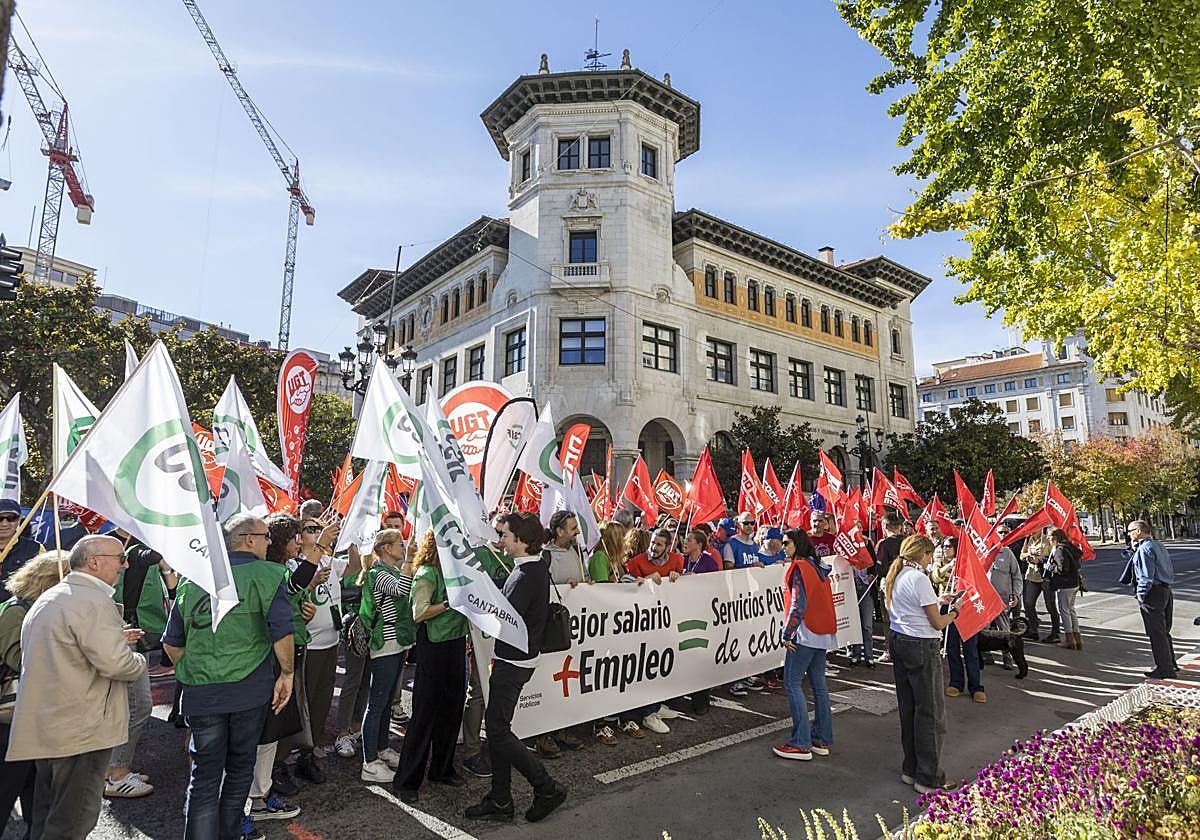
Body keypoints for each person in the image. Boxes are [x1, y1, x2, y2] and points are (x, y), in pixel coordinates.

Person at [163, 514, 294, 840]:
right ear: (248, 539)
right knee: (238, 771)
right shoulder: (269, 575)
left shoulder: (192, 579)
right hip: (247, 692)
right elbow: (282, 632)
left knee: (204, 777)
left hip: (201, 693)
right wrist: (288, 673)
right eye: (265, 536)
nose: (269, 542)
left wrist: (195, 670)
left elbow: (171, 643)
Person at [7, 536, 148, 839]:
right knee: (72, 821)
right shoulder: (90, 600)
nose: (124, 565)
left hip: (54, 726)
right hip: (80, 729)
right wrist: (138, 660)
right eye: (120, 558)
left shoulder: (55, 596)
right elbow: (117, 664)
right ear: (94, 562)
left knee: (47, 816)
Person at [465, 512, 567, 825]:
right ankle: (500, 798)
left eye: (506, 536)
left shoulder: (526, 575)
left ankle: (545, 787)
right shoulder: (532, 566)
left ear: (521, 541)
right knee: (497, 730)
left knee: (497, 730)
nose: (501, 540)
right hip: (517, 658)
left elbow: (501, 613)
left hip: (514, 661)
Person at [884, 534, 962, 794]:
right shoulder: (920, 578)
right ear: (924, 554)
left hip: (900, 640)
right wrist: (954, 612)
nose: (932, 560)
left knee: (909, 708)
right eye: (930, 555)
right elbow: (937, 623)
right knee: (930, 713)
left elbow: (914, 608)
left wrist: (939, 602)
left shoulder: (896, 574)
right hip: (921, 645)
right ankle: (928, 777)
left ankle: (911, 767)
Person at [395, 531, 469, 803]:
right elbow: (419, 612)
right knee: (425, 713)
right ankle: (407, 780)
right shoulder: (427, 572)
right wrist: (451, 602)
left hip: (455, 642)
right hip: (433, 645)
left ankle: (442, 769)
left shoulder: (459, 570)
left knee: (452, 709)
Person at [0, 551, 69, 837]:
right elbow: (19, 660)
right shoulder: (15, 611)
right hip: (11, 719)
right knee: (6, 793)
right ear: (49, 581)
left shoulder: (39, 608)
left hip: (36, 716)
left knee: (39, 801)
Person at [287, 516, 344, 784]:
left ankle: (308, 755)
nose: (318, 533)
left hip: (330, 641)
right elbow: (293, 592)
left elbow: (355, 567)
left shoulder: (327, 561)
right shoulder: (292, 565)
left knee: (321, 702)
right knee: (301, 704)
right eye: (311, 529)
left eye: (319, 529)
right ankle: (287, 756)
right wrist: (311, 583)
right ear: (299, 537)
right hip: (307, 645)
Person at [773, 530, 836, 761]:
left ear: (797, 544)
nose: (783, 547)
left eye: (786, 543)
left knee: (792, 682)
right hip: (823, 630)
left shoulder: (799, 567)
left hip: (805, 631)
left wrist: (787, 632)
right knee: (819, 684)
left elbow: (798, 604)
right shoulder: (817, 566)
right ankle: (820, 738)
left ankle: (801, 742)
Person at [357, 528, 415, 783]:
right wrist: (410, 561)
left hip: (397, 642)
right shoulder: (378, 573)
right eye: (399, 544)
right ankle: (369, 762)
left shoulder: (388, 570)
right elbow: (401, 590)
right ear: (386, 549)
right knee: (377, 703)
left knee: (385, 702)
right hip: (385, 644)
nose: (403, 548)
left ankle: (381, 748)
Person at [535, 511, 587, 757]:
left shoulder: (575, 552)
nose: (577, 531)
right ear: (559, 531)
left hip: (574, 629)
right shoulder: (545, 556)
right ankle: (543, 736)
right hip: (552, 631)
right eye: (573, 527)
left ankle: (562, 730)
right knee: (549, 682)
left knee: (567, 684)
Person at [1122, 520, 1177, 678]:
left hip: (1153, 593)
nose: (1128, 534)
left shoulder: (1145, 549)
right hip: (1165, 590)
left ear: (1138, 531)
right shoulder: (1157, 545)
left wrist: (1141, 595)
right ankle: (1170, 663)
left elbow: (1146, 576)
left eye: (1130, 530)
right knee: (1164, 631)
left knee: (1156, 633)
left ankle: (1164, 669)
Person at [937, 537, 985, 704]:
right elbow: (935, 577)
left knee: (970, 650)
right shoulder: (941, 561)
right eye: (943, 546)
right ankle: (956, 683)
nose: (945, 549)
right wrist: (950, 566)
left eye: (948, 546)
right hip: (947, 608)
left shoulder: (969, 565)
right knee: (951, 647)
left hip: (967, 609)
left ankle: (976, 686)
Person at [987, 524, 1023, 668]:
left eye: (1004, 532)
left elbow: (1017, 576)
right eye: (999, 533)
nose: (1002, 535)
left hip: (1002, 599)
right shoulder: (983, 553)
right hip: (985, 600)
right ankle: (986, 654)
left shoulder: (1007, 553)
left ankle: (1007, 656)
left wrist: (1016, 594)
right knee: (985, 630)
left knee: (1004, 630)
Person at [1043, 529, 1083, 651]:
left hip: (1065, 585)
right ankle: (1077, 639)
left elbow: (1061, 569)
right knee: (1071, 611)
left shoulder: (1060, 549)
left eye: (1049, 536)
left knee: (1064, 611)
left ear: (1055, 537)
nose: (1047, 538)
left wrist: (1049, 567)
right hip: (1074, 583)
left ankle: (1070, 640)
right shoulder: (1069, 546)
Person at [0, 500, 43, 601]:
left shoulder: (35, 549)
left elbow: (45, 582)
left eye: (11, 518)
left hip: (18, 612)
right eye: (0, 518)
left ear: (19, 521)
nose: (4, 523)